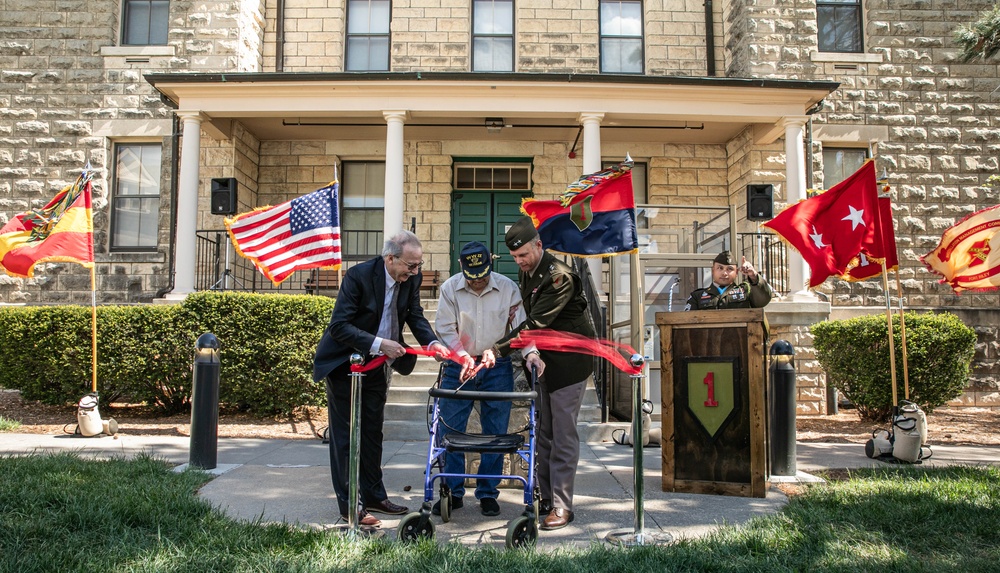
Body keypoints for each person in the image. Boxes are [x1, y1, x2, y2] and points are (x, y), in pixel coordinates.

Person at [313, 230, 448, 528]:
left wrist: (432, 344)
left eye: (419, 265)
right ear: (390, 258)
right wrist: (378, 343)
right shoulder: (358, 276)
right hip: (345, 364)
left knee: (373, 432)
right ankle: (351, 507)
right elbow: (339, 326)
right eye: (411, 266)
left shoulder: (410, 277)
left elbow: (415, 315)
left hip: (378, 366)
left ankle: (374, 495)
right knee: (347, 436)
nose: (416, 272)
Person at [492, 216, 595, 531]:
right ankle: (546, 498)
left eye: (524, 254)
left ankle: (562, 506)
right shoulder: (530, 272)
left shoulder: (557, 277)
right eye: (515, 257)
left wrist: (497, 349)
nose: (520, 262)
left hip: (569, 362)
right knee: (545, 433)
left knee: (563, 434)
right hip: (544, 361)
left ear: (539, 245)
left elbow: (535, 323)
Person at [431, 241, 530, 518]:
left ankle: (488, 493)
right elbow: (445, 328)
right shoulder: (450, 288)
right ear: (463, 268)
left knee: (495, 432)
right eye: (472, 278)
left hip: (495, 366)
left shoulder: (508, 288)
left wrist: (529, 353)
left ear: (491, 266)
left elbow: (520, 328)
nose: (478, 283)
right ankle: (452, 491)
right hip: (458, 365)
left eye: (483, 276)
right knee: (450, 430)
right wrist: (462, 356)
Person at [684, 251, 773, 310]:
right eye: (720, 268)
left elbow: (763, 300)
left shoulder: (746, 291)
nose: (724, 273)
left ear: (737, 272)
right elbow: (687, 321)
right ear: (713, 271)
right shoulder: (697, 296)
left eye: (729, 269)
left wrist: (753, 275)